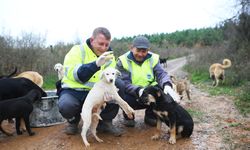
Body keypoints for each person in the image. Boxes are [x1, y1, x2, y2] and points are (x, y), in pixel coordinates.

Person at [58, 27, 124, 136]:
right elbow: (78, 75)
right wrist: (96, 64)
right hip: (74, 91)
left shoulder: (110, 57)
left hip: (96, 92)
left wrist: (109, 92)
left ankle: (105, 122)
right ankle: (73, 121)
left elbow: (110, 80)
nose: (104, 48)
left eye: (106, 45)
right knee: (66, 105)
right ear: (92, 40)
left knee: (119, 85)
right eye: (101, 44)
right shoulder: (77, 50)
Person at [116, 36, 180, 127]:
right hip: (133, 93)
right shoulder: (122, 61)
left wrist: (167, 85)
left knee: (163, 90)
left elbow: (162, 74)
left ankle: (151, 115)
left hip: (150, 93)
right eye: (138, 50)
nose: (141, 54)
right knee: (121, 89)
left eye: (144, 51)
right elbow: (124, 82)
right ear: (131, 48)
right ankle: (128, 115)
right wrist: (139, 90)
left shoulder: (153, 58)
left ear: (148, 50)